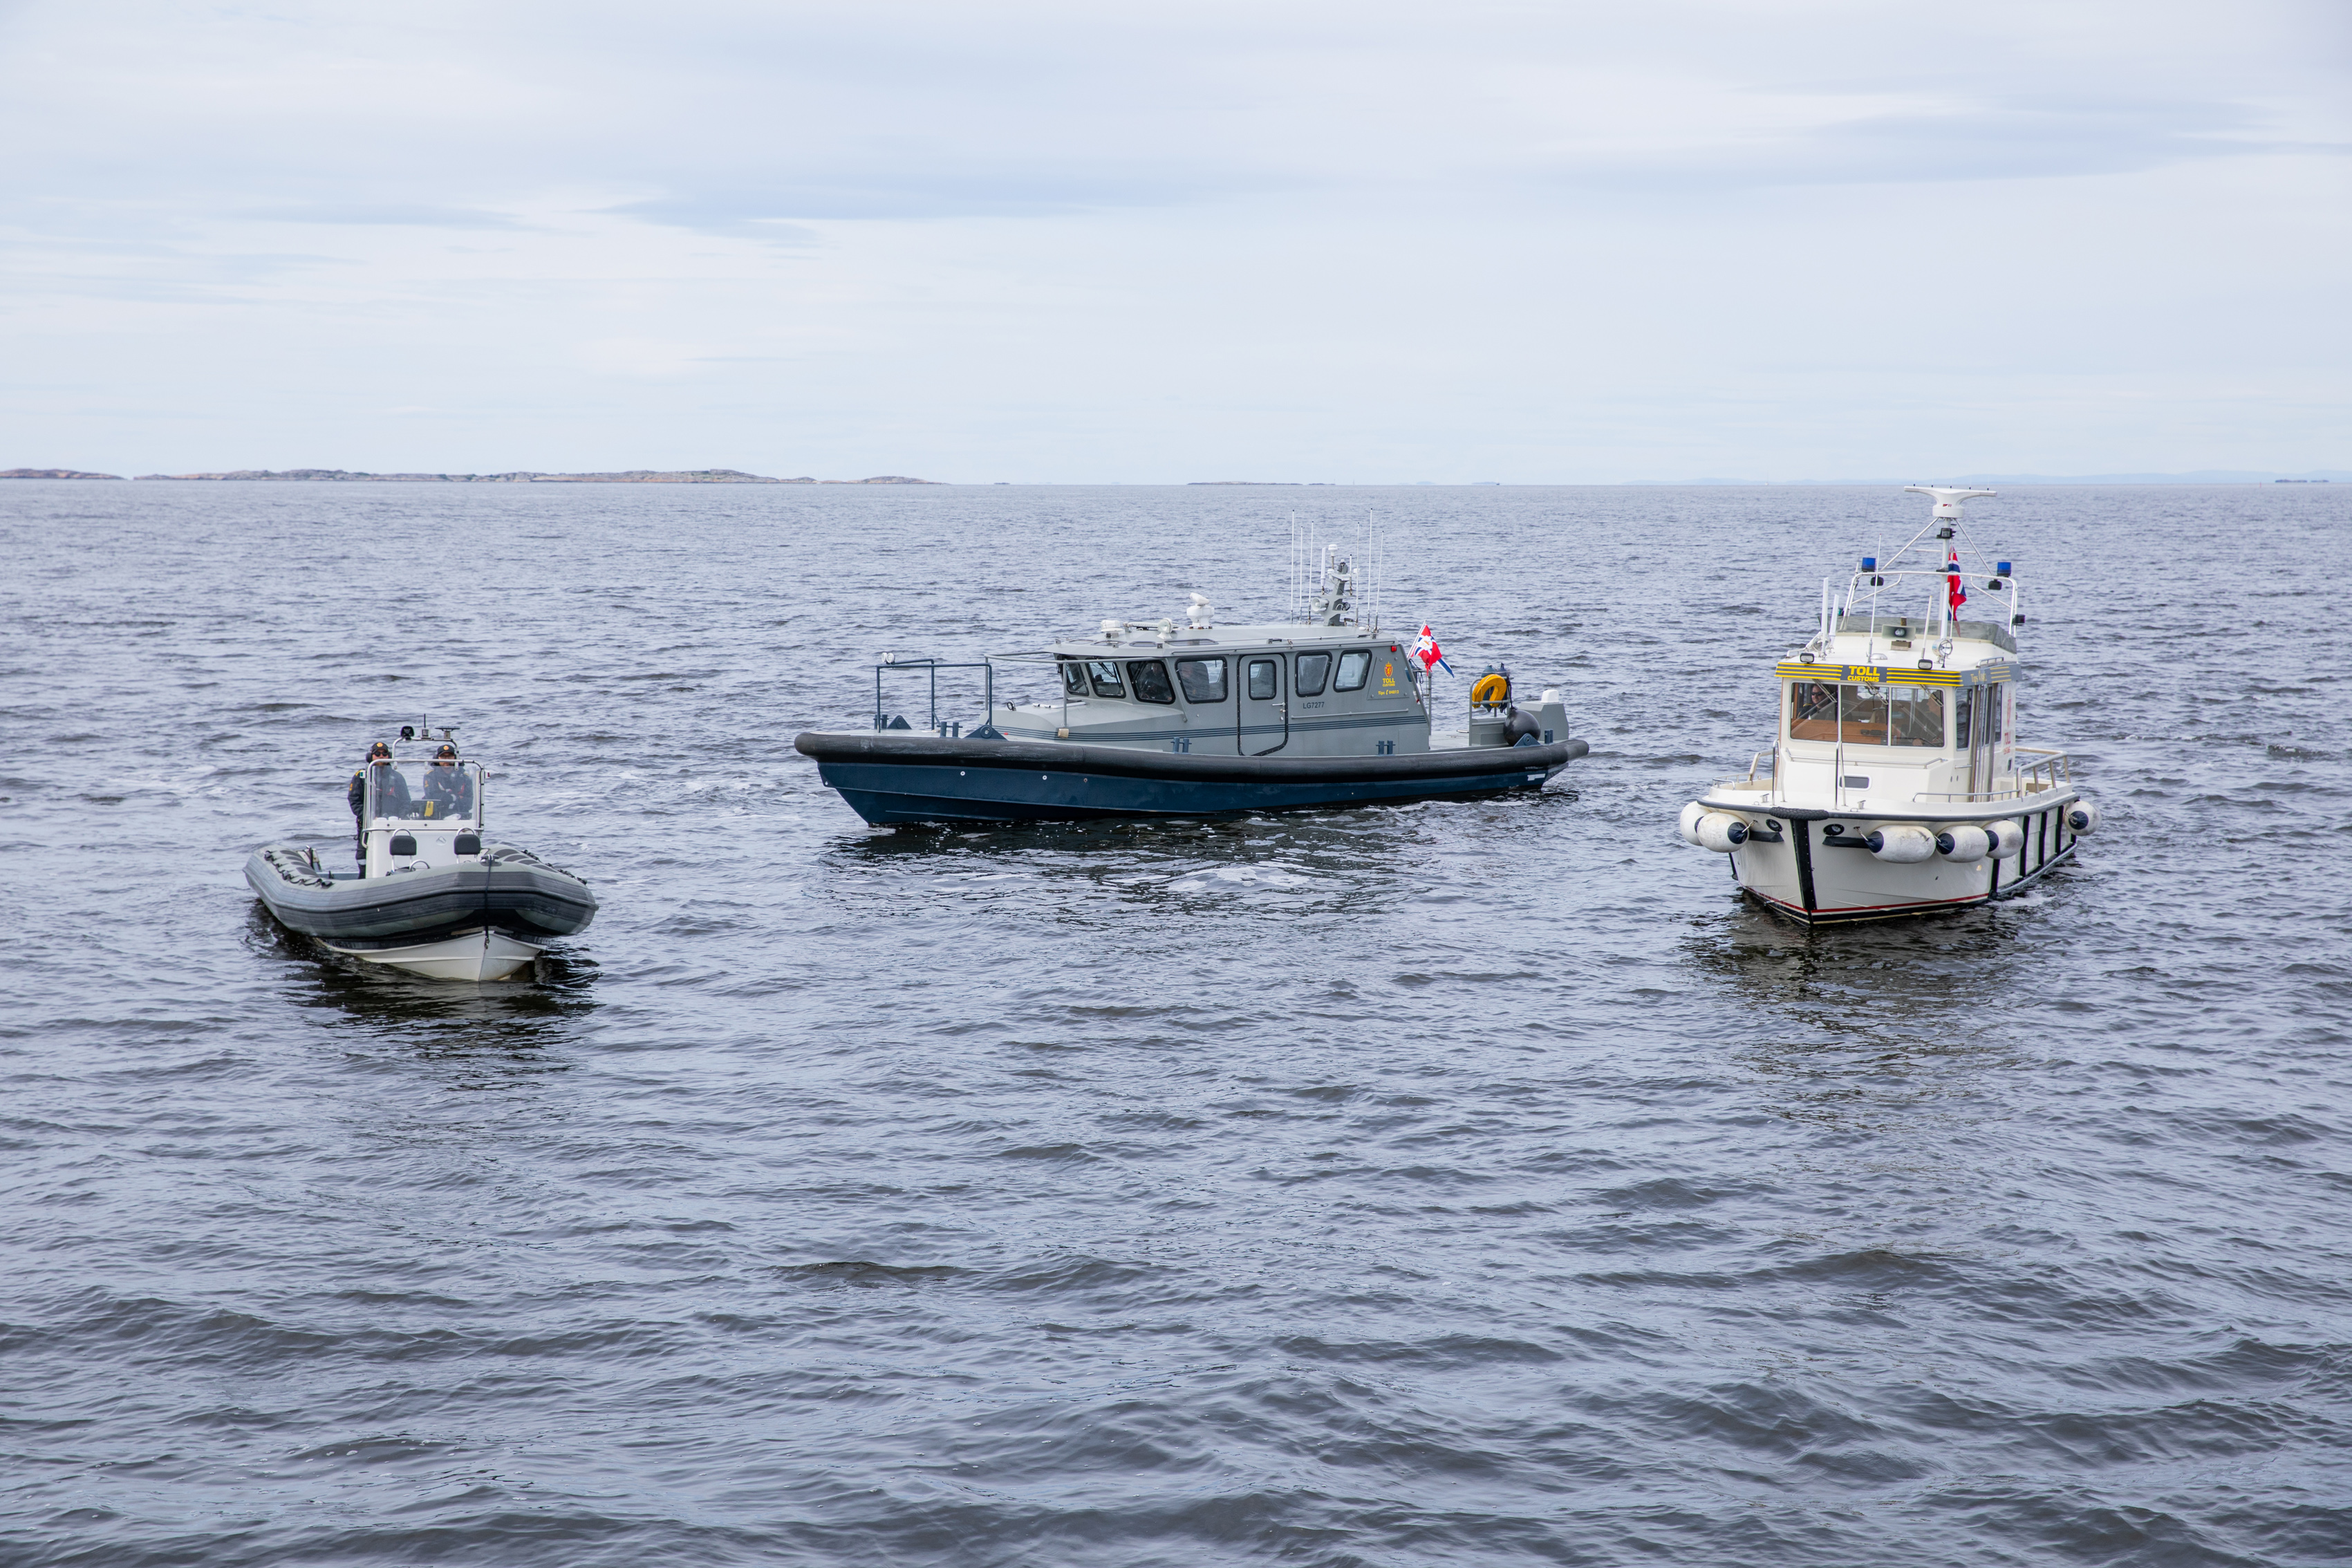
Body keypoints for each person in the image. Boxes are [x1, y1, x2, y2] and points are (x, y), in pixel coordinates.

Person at [422, 741, 474, 820]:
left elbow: (469, 802)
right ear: (437, 759)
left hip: (460, 814)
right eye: (443, 757)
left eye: (450, 757)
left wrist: (447, 798)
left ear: (455, 758)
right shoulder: (430, 776)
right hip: (436, 815)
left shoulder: (464, 777)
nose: (447, 760)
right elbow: (433, 797)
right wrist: (455, 798)